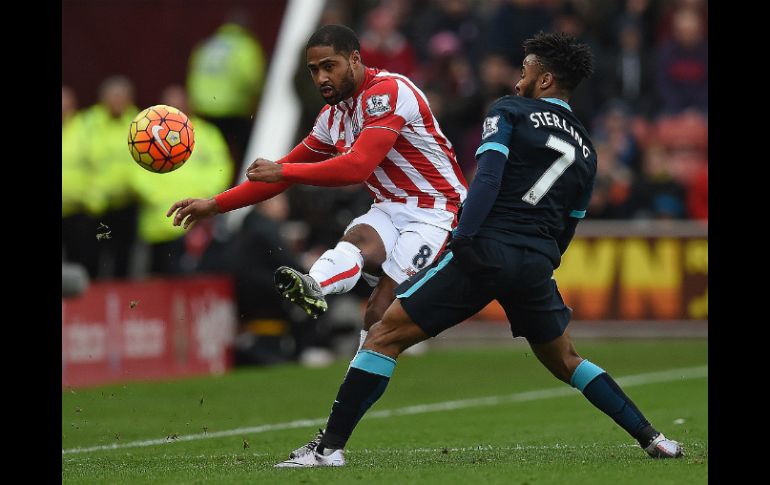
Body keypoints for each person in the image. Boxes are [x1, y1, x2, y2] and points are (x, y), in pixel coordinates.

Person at [274, 32, 684, 468]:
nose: (518, 78)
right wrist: (546, 260)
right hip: (535, 263)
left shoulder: (510, 110)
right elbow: (571, 220)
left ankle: (328, 449)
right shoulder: (587, 146)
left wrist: (465, 236)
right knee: (568, 359)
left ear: (545, 79)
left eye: (525, 69)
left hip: (485, 249)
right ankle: (653, 437)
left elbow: (487, 178)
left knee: (383, 334)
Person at [168, 24, 467, 355]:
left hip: (441, 210)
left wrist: (283, 170)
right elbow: (278, 177)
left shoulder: (387, 93)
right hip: (390, 207)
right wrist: (214, 205)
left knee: (383, 313)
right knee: (364, 266)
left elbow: (356, 167)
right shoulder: (331, 118)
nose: (322, 77)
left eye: (329, 66)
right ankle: (315, 285)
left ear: (355, 60)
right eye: (314, 70)